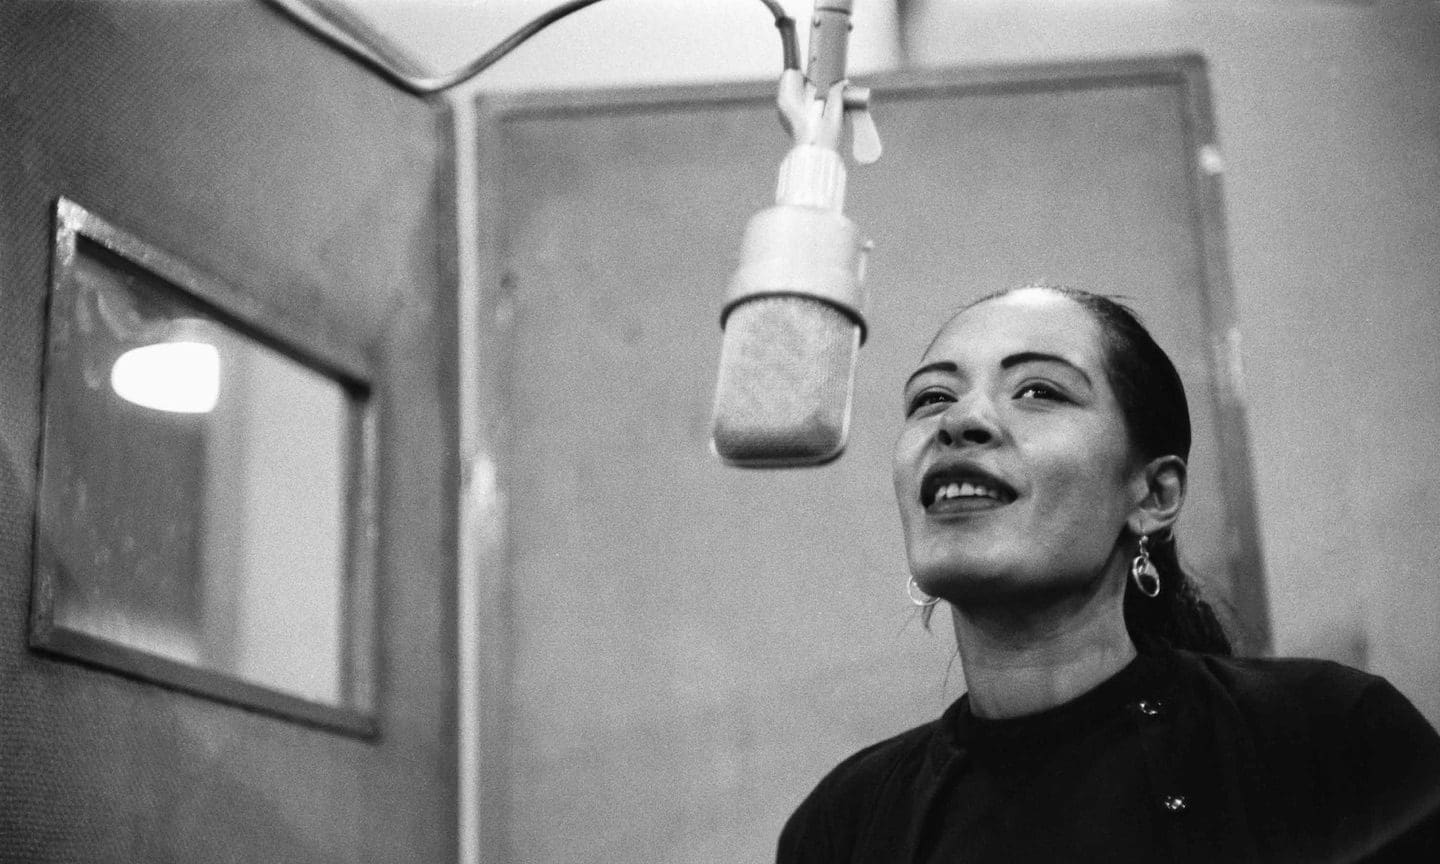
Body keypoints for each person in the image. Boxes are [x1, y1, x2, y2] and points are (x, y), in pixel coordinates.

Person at [777, 285, 1440, 863]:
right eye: (931, 398)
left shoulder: (1330, 740)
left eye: (1037, 391)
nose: (959, 421)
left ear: (1153, 495)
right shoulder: (846, 825)